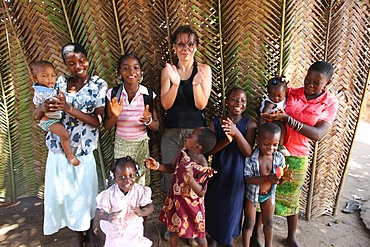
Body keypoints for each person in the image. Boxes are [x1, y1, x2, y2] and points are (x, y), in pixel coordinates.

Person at [32, 42, 108, 247]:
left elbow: (97, 121)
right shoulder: (59, 83)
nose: (78, 66)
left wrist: (68, 107)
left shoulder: (98, 85)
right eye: (71, 63)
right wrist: (42, 107)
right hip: (59, 150)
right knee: (68, 194)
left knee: (86, 194)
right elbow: (37, 116)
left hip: (83, 150)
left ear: (88, 59)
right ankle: (77, 234)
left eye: (81, 60)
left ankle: (90, 231)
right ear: (66, 64)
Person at [258, 61, 339, 247]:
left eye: (316, 83)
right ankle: (257, 232)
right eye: (308, 79)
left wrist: (288, 119)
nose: (310, 85)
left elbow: (318, 134)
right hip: (274, 151)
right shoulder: (292, 92)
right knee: (265, 192)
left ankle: (291, 236)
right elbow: (273, 100)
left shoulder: (330, 103)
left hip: (298, 153)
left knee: (292, 197)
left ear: (327, 82)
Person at [145, 127, 217, 247]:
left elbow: (201, 192)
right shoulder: (182, 152)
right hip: (176, 201)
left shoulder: (202, 164)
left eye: (192, 135)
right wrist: (157, 166)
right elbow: (171, 168)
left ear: (198, 146)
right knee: (174, 229)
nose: (188, 135)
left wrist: (191, 180)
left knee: (199, 236)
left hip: (192, 206)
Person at [205, 87, 257, 247]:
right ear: (227, 102)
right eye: (234, 99)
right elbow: (209, 150)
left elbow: (248, 152)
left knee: (231, 210)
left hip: (236, 176)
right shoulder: (215, 123)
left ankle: (227, 241)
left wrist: (236, 133)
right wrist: (226, 141)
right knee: (214, 207)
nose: (238, 103)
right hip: (218, 174)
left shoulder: (249, 124)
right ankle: (213, 238)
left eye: (242, 100)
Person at [104, 53, 159, 186]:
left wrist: (148, 121)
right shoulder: (113, 94)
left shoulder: (148, 95)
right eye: (126, 68)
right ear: (119, 72)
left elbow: (156, 126)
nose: (131, 72)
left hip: (141, 144)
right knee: (122, 180)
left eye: (136, 68)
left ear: (140, 72)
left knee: (139, 181)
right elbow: (107, 125)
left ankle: (138, 207)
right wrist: (115, 116)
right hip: (121, 144)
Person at [242, 122, 292, 247]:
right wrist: (266, 178)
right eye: (266, 144)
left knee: (269, 223)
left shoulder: (279, 157)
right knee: (249, 222)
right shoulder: (251, 158)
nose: (271, 148)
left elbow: (278, 181)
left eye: (275, 145)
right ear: (258, 140)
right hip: (252, 194)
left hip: (269, 194)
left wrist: (284, 178)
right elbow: (247, 179)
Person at [95, 156, 154, 247]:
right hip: (115, 232)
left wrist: (143, 211)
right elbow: (99, 210)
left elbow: (150, 206)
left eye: (131, 176)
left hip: (134, 230)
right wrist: (107, 216)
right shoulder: (109, 194)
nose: (127, 181)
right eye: (122, 177)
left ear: (136, 174)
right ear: (114, 178)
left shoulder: (139, 191)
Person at [31, 60, 80, 166]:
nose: (50, 79)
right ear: (36, 78)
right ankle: (70, 155)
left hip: (56, 118)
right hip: (49, 121)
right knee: (64, 135)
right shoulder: (40, 93)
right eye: (45, 76)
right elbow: (38, 111)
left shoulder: (51, 88)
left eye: (53, 75)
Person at [259, 76, 290, 156]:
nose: (276, 98)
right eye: (272, 96)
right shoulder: (269, 103)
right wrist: (261, 130)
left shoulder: (285, 99)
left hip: (277, 121)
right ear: (268, 93)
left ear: (285, 92)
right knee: (280, 126)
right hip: (269, 122)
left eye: (279, 96)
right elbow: (263, 115)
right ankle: (279, 146)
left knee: (282, 127)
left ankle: (280, 146)